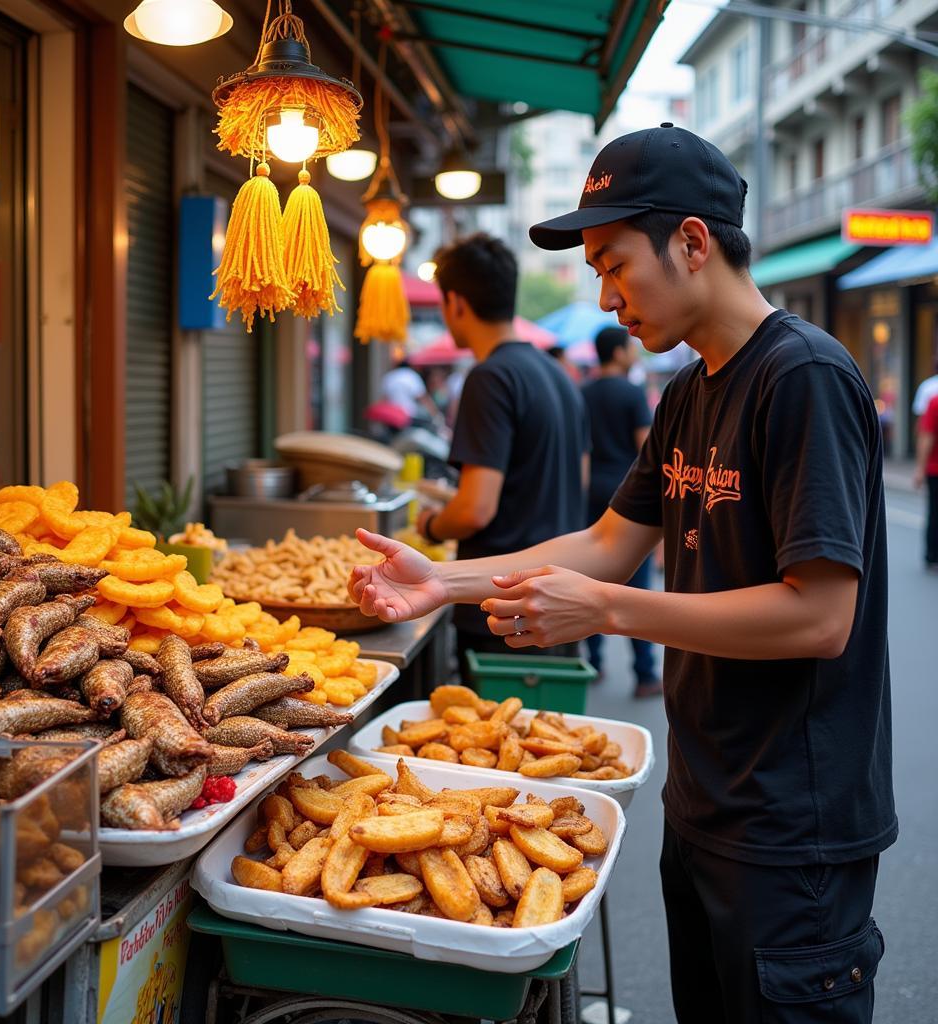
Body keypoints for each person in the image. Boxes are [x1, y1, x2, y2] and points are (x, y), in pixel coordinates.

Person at [352, 125, 894, 1024]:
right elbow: (607, 541)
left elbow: (819, 617)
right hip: (705, 798)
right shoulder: (687, 391)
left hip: (796, 827)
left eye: (613, 265)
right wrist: (443, 584)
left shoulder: (803, 377)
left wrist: (610, 611)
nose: (605, 298)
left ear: (691, 241)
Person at [414, 233, 590, 679]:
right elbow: (580, 479)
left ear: (455, 302)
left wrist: (432, 524)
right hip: (556, 597)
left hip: (502, 610)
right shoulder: (558, 373)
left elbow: (475, 509)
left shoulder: (490, 377)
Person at [581, 326, 660, 697]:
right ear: (617, 353)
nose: (634, 352)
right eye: (629, 347)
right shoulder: (632, 393)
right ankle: (644, 673)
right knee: (636, 578)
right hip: (627, 492)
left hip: (591, 490)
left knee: (592, 577)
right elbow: (647, 448)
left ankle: (593, 663)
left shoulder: (583, 393)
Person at [914, 391, 938, 570]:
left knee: (934, 512)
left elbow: (927, 436)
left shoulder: (935, 401)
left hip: (935, 469)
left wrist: (920, 469)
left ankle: (932, 555)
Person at [379, 360, 438, 424]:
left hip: (392, 416)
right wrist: (435, 414)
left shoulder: (389, 377)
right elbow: (423, 398)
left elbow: (385, 399)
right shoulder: (411, 375)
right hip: (409, 416)